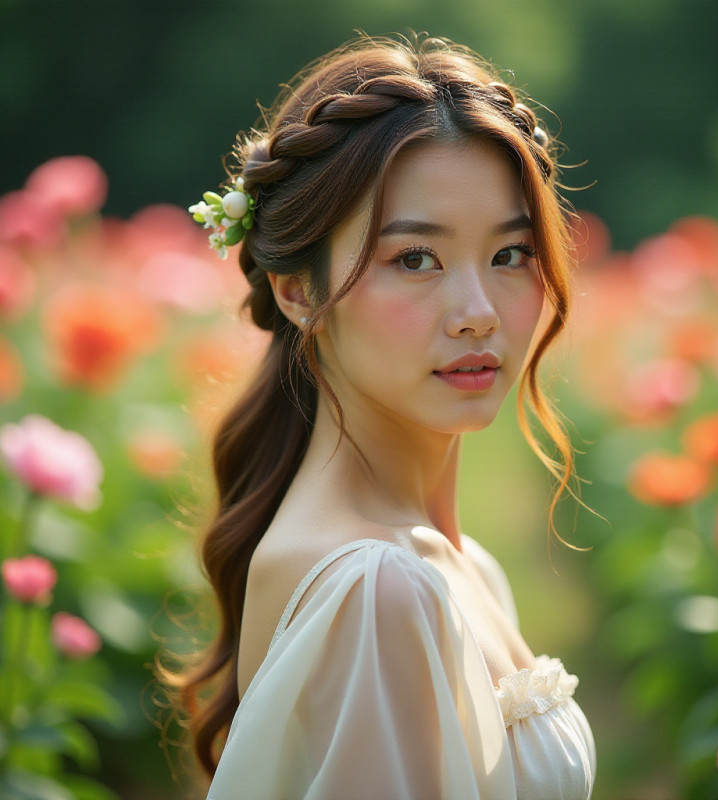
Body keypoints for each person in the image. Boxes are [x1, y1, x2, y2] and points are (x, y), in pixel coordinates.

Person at [178, 31, 596, 799]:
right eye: (415, 259)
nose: (478, 314)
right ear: (297, 290)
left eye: (510, 255)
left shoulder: (456, 567)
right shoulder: (376, 589)